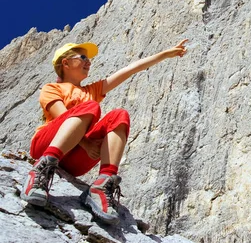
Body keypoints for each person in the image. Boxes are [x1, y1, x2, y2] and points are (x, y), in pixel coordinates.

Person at [21, 39, 188, 224]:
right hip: (46, 146)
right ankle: (41, 169)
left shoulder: (91, 90)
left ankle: (103, 183)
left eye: (89, 59)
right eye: (83, 57)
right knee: (91, 106)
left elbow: (130, 70)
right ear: (65, 63)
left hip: (75, 159)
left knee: (119, 115)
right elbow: (62, 118)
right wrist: (86, 143)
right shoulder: (51, 88)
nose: (88, 61)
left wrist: (165, 54)